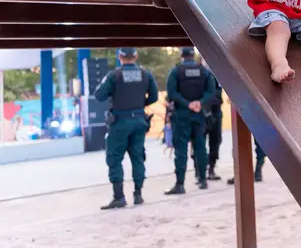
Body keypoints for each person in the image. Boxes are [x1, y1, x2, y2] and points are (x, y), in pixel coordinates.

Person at [94, 48, 159, 209]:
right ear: (135, 56)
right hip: (139, 120)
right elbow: (154, 96)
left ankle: (119, 197)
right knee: (138, 157)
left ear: (120, 57)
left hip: (120, 122)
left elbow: (99, 95)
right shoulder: (145, 74)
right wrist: (138, 105)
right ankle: (138, 195)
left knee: (114, 157)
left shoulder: (114, 75)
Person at [165, 47, 215, 194]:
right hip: (199, 115)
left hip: (182, 116)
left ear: (182, 55)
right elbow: (211, 93)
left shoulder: (176, 72)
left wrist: (187, 104)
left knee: (180, 150)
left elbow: (172, 93)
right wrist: (199, 102)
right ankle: (203, 180)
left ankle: (180, 184)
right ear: (193, 55)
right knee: (200, 147)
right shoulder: (204, 71)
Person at [203, 59, 223, 181]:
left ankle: (210, 169)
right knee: (201, 143)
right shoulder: (202, 74)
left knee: (215, 141)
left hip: (213, 111)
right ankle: (203, 171)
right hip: (204, 112)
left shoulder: (216, 74)